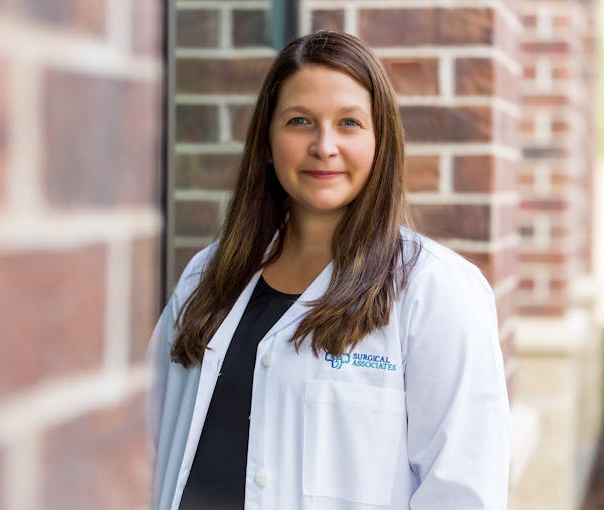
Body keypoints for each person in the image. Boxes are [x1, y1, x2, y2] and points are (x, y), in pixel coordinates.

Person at [148, 31, 510, 510]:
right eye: (299, 121)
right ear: (267, 143)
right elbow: (139, 444)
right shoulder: (206, 276)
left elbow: (463, 493)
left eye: (349, 123)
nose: (324, 145)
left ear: (381, 142)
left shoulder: (435, 292)